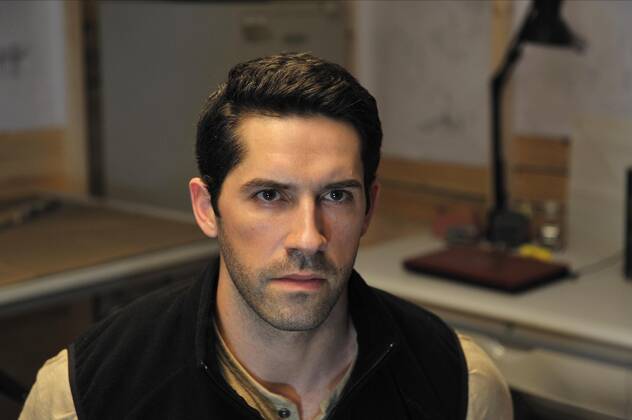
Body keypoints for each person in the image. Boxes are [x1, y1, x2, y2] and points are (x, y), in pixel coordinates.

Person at [20, 53, 512, 419]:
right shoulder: (82, 396)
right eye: (270, 195)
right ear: (207, 208)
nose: (309, 238)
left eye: (336, 195)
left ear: (369, 208)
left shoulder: (461, 387)